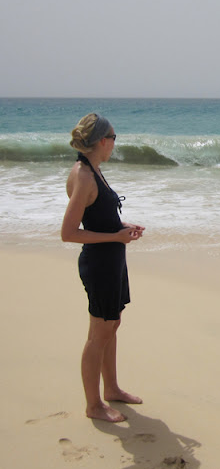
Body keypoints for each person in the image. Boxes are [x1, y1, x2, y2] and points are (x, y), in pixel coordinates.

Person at [61, 113, 145, 423]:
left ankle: (111, 388)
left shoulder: (94, 170)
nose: (114, 143)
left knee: (112, 325)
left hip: (112, 260)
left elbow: (98, 218)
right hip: (100, 264)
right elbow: (69, 233)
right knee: (98, 334)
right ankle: (93, 405)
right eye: (113, 137)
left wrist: (123, 227)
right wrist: (115, 237)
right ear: (101, 141)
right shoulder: (84, 176)